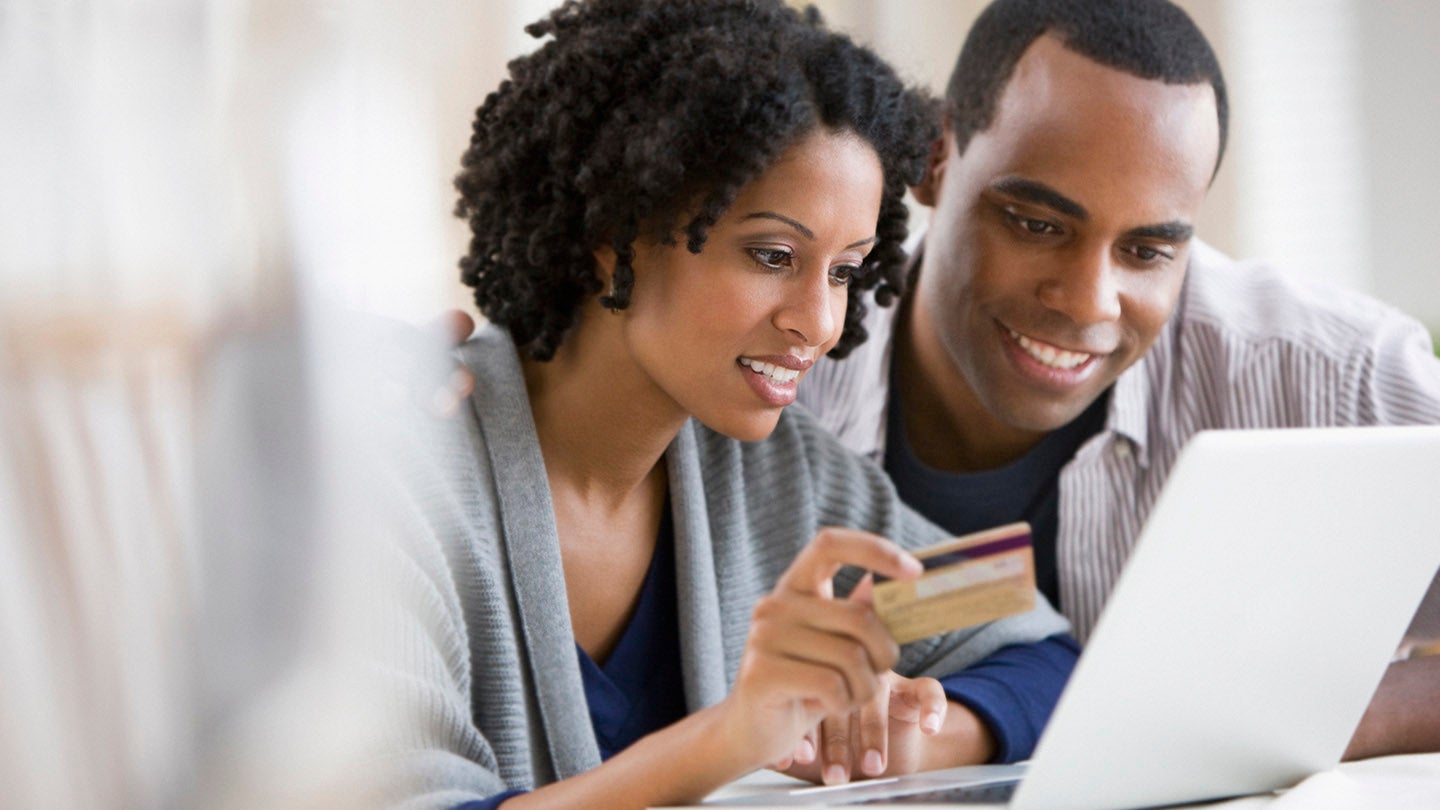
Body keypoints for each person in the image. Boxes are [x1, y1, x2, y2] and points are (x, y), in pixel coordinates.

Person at [382, 2, 1076, 808]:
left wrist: (909, 730)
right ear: (616, 233)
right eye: (772, 255)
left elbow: (1023, 625)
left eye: (846, 271)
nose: (819, 324)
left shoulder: (774, 472)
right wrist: (736, 736)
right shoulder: (398, 469)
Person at [795, 0, 1440, 760]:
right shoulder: (783, 370)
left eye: (1148, 251)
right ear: (936, 159)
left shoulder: (1332, 375)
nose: (1089, 302)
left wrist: (1294, 720)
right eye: (1036, 224)